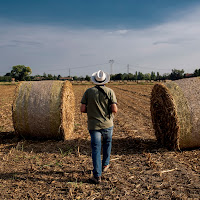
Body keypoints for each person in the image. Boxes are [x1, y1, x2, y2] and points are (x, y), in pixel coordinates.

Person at [81, 70, 118, 184]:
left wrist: (92, 110)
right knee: (107, 143)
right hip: (108, 124)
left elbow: (82, 109)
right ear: (105, 81)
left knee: (96, 149)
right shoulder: (110, 91)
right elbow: (114, 109)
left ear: (94, 81)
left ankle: (97, 176)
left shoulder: (88, 92)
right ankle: (105, 164)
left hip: (94, 126)